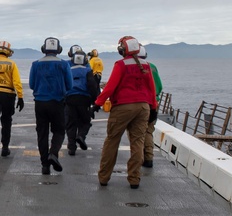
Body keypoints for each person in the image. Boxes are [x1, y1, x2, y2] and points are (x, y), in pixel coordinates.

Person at [94, 36, 157, 189]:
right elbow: (152, 89)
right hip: (143, 107)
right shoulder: (146, 65)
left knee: (112, 141)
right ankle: (134, 179)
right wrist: (153, 108)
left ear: (123, 49)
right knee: (137, 143)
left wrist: (98, 103)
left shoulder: (121, 65)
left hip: (123, 107)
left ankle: (104, 177)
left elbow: (110, 87)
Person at [28, 37, 72, 175]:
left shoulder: (35, 64)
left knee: (42, 134)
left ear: (43, 49)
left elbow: (31, 84)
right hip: (57, 102)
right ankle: (53, 153)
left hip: (40, 103)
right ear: (59, 50)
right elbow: (70, 85)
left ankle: (44, 166)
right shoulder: (64, 64)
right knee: (59, 131)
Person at [64, 49, 99, 156]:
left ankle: (71, 147)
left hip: (70, 99)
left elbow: (64, 83)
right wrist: (95, 102)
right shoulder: (87, 70)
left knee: (70, 124)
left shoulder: (68, 69)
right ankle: (81, 136)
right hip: (84, 100)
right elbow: (92, 86)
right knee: (85, 122)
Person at [138, 44, 163, 168]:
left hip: (139, 103)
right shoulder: (152, 67)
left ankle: (139, 158)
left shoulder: (132, 66)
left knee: (137, 132)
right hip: (153, 102)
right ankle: (149, 158)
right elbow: (159, 86)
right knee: (149, 130)